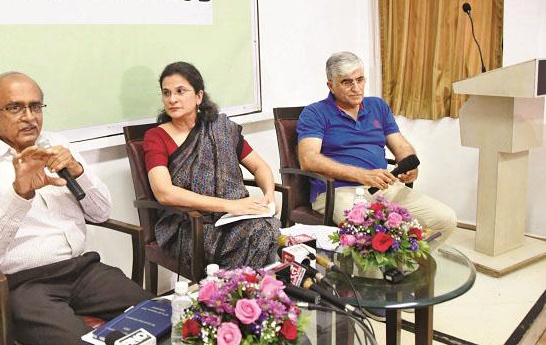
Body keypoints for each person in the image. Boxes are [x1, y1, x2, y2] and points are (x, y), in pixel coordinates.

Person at [0, 71, 151, 345]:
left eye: (35, 106)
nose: (29, 117)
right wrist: (19, 194)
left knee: (159, 317)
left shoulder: (57, 145)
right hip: (21, 285)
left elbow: (101, 212)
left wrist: (78, 170)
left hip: (82, 271)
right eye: (15, 107)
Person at [297, 52, 456, 242]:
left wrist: (408, 164)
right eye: (347, 82)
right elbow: (308, 160)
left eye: (360, 79)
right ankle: (381, 269)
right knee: (379, 237)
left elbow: (401, 145)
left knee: (445, 219)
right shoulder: (315, 112)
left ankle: (410, 268)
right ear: (331, 86)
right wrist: (362, 175)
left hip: (384, 187)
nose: (356, 88)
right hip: (338, 192)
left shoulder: (377, 106)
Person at [144, 62, 280, 270]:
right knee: (262, 233)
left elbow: (260, 167)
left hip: (234, 218)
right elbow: (164, 193)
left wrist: (269, 193)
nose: (172, 99)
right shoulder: (156, 137)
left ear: (199, 96)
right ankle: (242, 293)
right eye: (166, 93)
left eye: (180, 91)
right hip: (190, 226)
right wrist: (230, 205)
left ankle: (243, 294)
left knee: (266, 229)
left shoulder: (219, 128)